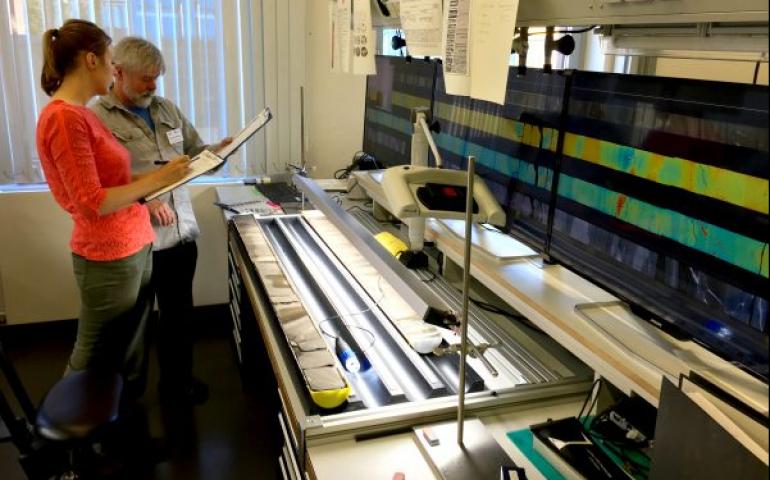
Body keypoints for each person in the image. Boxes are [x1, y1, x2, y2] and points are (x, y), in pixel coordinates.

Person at [35, 19, 191, 398]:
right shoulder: (64, 118)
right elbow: (92, 202)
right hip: (108, 253)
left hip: (134, 244)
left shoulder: (82, 113)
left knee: (129, 348)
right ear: (91, 61)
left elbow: (114, 185)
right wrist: (158, 181)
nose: (113, 68)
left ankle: (123, 428)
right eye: (109, 60)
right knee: (96, 353)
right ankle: (69, 439)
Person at [92, 37, 232, 405]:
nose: (153, 86)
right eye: (145, 78)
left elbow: (192, 150)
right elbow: (99, 184)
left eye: (157, 77)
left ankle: (177, 383)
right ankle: (126, 403)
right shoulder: (97, 117)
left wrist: (217, 153)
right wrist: (147, 197)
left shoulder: (166, 108)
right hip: (134, 241)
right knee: (134, 327)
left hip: (180, 234)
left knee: (178, 317)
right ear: (118, 73)